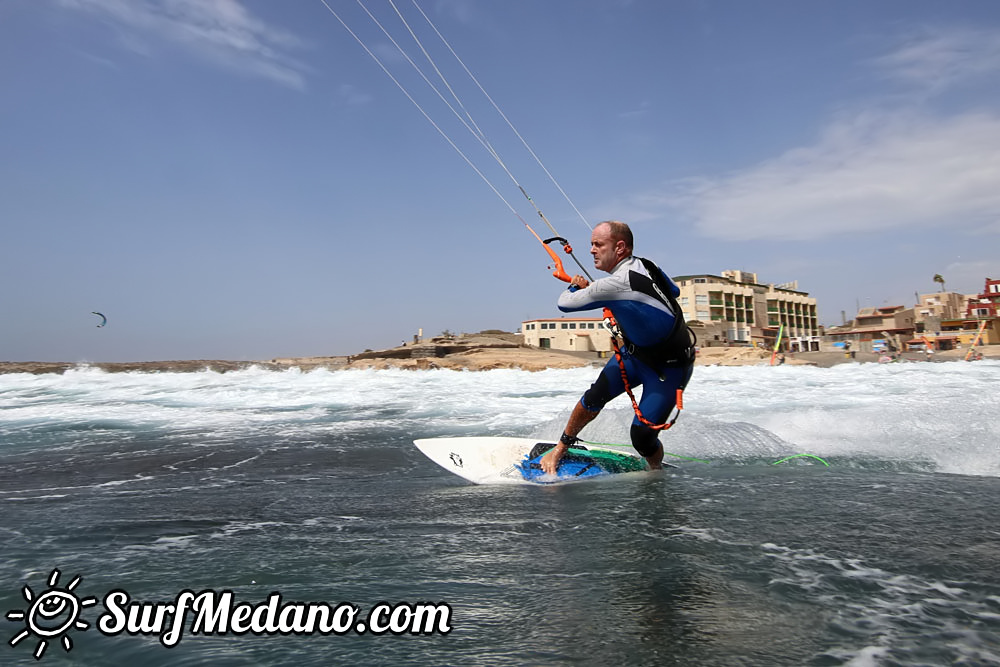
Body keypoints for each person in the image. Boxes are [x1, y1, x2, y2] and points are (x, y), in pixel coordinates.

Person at [540, 220, 695, 473]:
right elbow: (674, 291)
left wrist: (574, 285)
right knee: (593, 397)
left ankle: (655, 472)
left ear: (620, 247)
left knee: (642, 437)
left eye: (598, 244)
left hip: (669, 369)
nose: (591, 250)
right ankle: (561, 448)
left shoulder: (611, 285)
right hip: (634, 357)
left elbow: (565, 304)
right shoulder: (648, 265)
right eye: (592, 244)